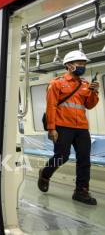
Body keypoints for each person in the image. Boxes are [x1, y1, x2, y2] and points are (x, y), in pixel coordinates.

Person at [38, 50, 99, 205]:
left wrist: (94, 92)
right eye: (79, 63)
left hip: (81, 128)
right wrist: (51, 128)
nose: (82, 66)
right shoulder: (56, 83)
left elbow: (90, 105)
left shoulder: (85, 84)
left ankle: (81, 191)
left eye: (84, 64)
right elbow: (51, 106)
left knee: (84, 159)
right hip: (62, 126)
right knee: (61, 156)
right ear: (69, 65)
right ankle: (45, 173)